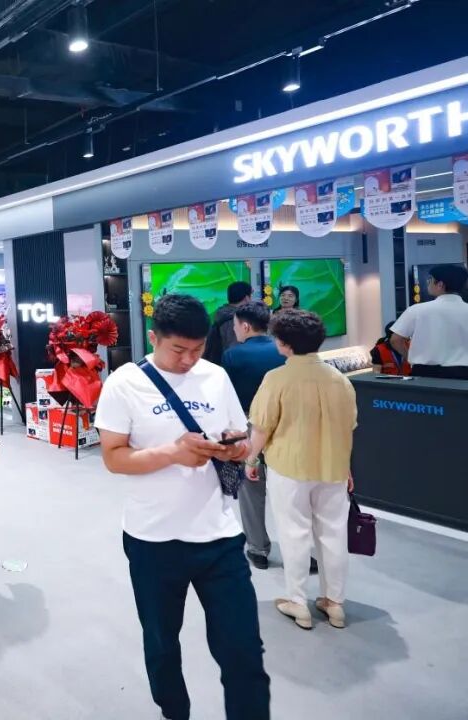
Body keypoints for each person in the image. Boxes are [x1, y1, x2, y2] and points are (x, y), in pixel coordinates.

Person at [95, 294, 270, 720]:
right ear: (153, 338)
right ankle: (174, 711)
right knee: (162, 643)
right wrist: (172, 453)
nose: (189, 359)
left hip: (220, 536)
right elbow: (114, 457)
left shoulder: (216, 376)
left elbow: (240, 434)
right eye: (178, 350)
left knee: (243, 650)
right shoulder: (124, 383)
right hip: (153, 540)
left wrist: (237, 449)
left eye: (198, 349)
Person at [246, 309, 357, 631]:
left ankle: (297, 601)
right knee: (333, 533)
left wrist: (251, 459)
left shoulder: (276, 379)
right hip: (333, 466)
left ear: (284, 343)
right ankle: (334, 603)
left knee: (293, 532)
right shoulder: (340, 380)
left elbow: (262, 427)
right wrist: (348, 467)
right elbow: (348, 427)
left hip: (289, 467)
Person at [221, 302, 285, 571]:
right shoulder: (282, 350)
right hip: (284, 426)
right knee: (287, 489)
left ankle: (258, 547)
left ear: (245, 326)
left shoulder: (233, 355)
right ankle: (297, 549)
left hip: (248, 423)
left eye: (236, 325)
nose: (235, 330)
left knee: (251, 487)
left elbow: (227, 397)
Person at [390, 264, 468, 379]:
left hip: (425, 372)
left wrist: (410, 358)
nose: (428, 283)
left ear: (440, 284)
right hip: (464, 374)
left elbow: (395, 340)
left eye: (430, 280)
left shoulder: (417, 310)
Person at [204, 281, 252, 365]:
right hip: (228, 367)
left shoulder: (221, 314)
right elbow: (234, 350)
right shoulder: (235, 319)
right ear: (247, 298)